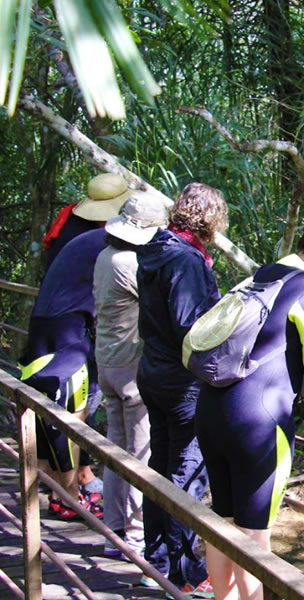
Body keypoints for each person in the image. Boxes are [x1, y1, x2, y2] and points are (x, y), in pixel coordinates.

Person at [196, 205, 304, 600]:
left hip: (214, 408)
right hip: (259, 422)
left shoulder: (263, 274)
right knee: (254, 534)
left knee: (223, 521)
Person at [136, 183, 228, 597]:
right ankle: (186, 575)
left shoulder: (157, 248)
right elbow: (190, 326)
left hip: (154, 373)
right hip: (180, 382)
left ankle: (155, 560)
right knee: (185, 475)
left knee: (161, 466)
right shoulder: (186, 259)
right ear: (210, 220)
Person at [38, 172, 133, 502]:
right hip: (72, 328)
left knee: (50, 402)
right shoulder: (106, 238)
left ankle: (61, 477)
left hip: (47, 320)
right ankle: (67, 495)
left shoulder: (67, 223)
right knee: (75, 408)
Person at [93, 191, 169, 558]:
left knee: (115, 450)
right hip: (129, 370)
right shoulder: (130, 264)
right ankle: (137, 535)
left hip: (107, 362)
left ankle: (113, 531)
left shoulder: (106, 256)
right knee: (140, 452)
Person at [18, 226, 109, 519]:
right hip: (67, 332)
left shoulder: (81, 239)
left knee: (48, 411)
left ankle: (54, 490)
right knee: (70, 416)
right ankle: (68, 497)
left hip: (45, 326)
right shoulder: (109, 246)